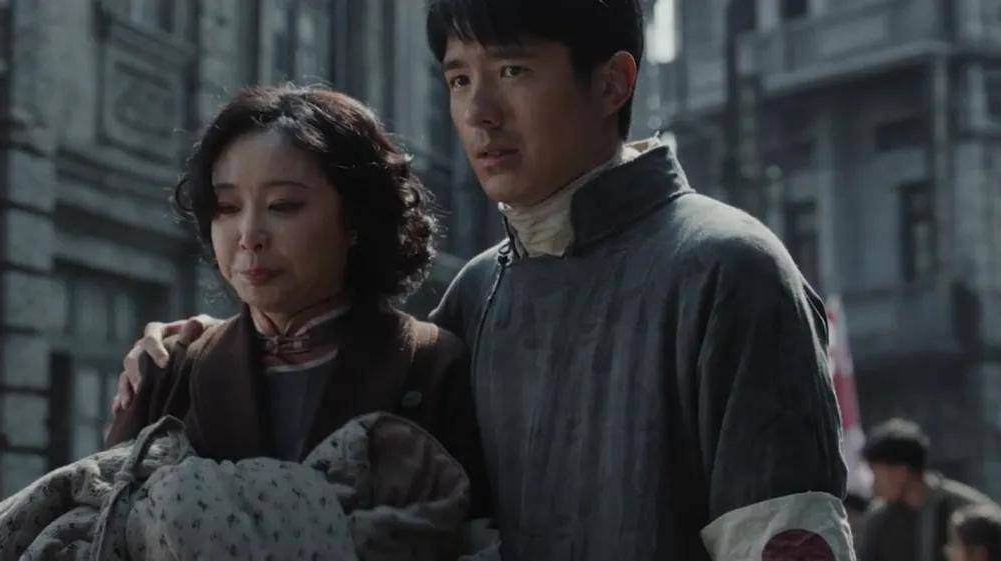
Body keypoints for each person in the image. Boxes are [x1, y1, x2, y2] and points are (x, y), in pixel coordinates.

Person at [114, 1, 854, 558]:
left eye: (512, 71)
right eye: (459, 78)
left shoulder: (728, 269)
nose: (479, 112)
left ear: (612, 82)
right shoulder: (477, 293)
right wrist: (210, 342)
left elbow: (784, 538)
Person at [105, 84, 490, 519]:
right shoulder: (171, 366)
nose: (249, 236)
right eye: (227, 207)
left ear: (355, 218)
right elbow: (102, 524)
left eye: (283, 205)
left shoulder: (431, 363)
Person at [860, 418, 998, 561]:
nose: (873, 484)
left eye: (877, 475)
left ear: (901, 472)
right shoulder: (879, 520)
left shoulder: (964, 508)